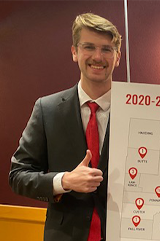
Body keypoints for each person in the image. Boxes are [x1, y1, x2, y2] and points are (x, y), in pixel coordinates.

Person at [9, 13, 121, 241]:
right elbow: (18, 176)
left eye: (107, 49)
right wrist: (64, 181)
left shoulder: (142, 110)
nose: (98, 57)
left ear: (118, 57)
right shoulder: (46, 109)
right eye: (88, 47)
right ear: (74, 52)